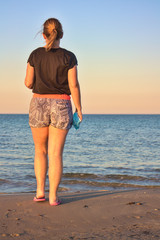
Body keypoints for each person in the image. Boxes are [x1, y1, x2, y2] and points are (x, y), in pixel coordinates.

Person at [24, 18, 82, 206]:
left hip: (38, 102)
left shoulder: (35, 55)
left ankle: (40, 191)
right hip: (61, 104)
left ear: (44, 35)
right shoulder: (69, 57)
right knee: (55, 153)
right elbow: (73, 85)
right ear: (61, 35)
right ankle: (53, 196)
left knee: (40, 150)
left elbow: (28, 83)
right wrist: (79, 108)